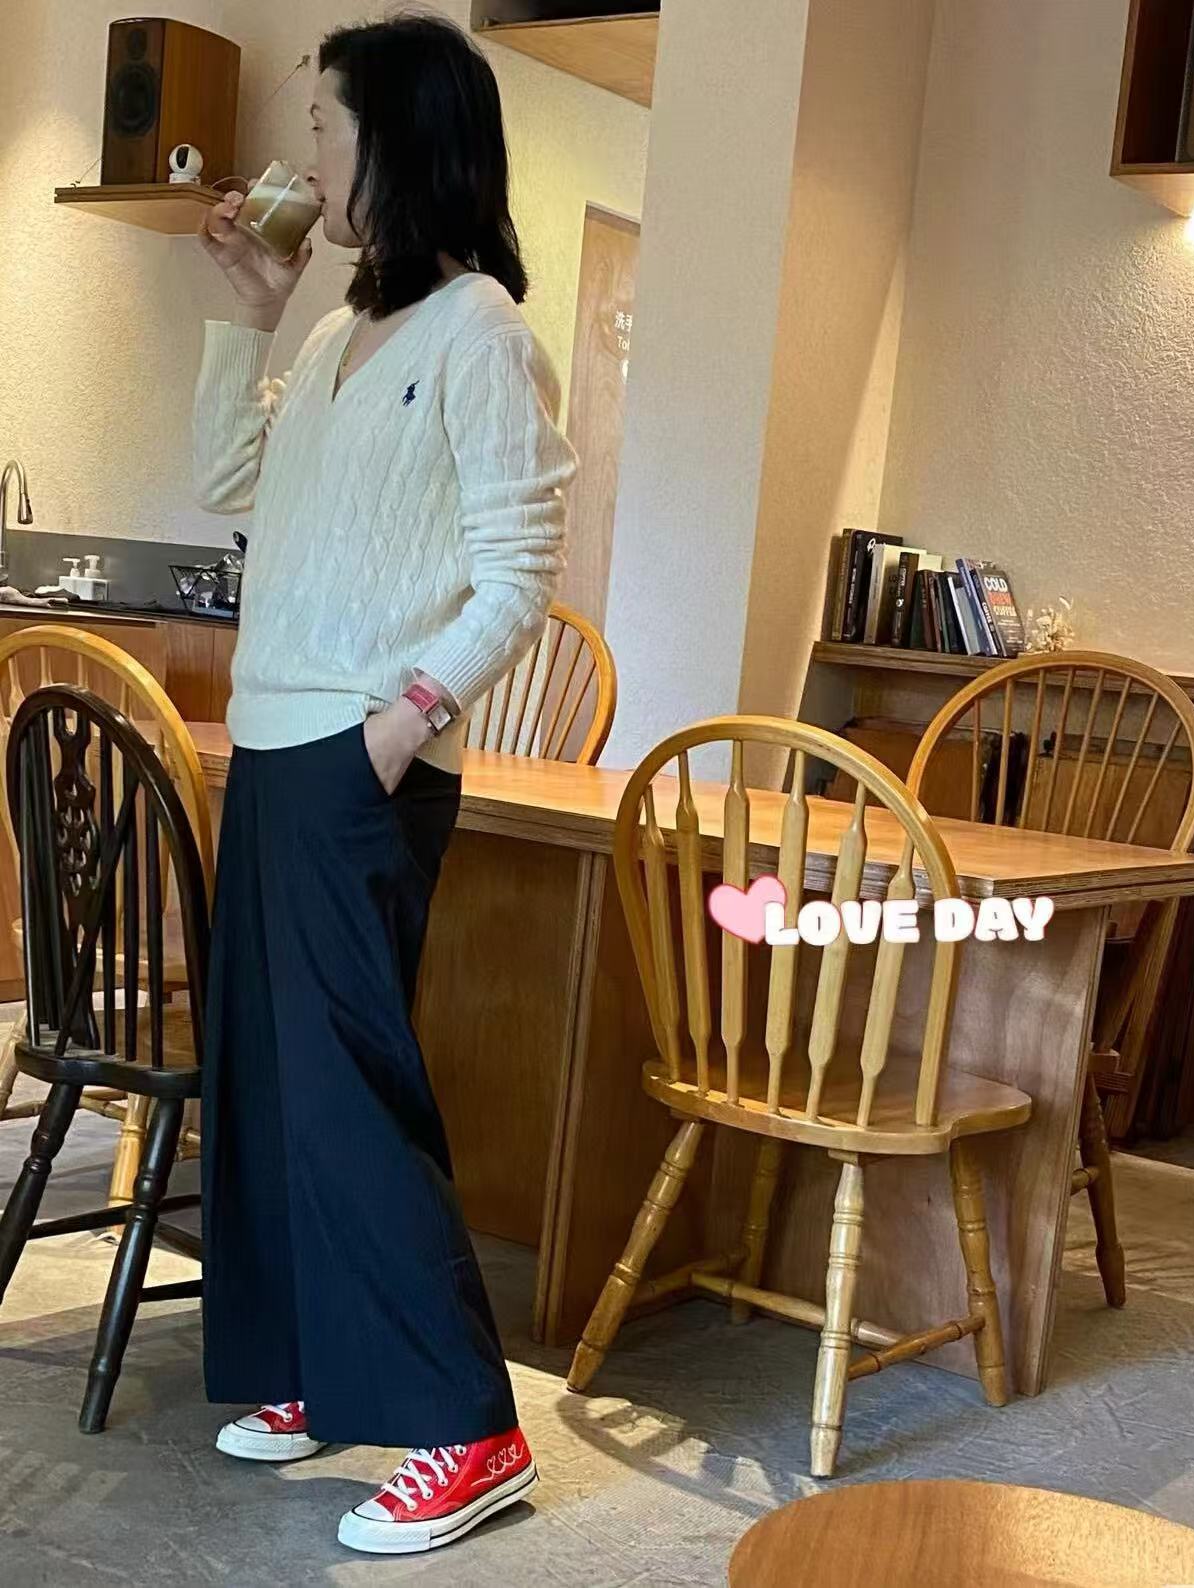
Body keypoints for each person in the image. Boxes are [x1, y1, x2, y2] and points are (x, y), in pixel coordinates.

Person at [191, 10, 577, 1557]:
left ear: (398, 141)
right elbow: (227, 484)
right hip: (274, 749)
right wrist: (252, 312)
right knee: (271, 1086)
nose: (305, 154)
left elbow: (522, 565)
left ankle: (469, 1430)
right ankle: (309, 1364)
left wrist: (406, 719)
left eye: (325, 127)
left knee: (351, 1099)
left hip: (357, 761)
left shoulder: (483, 334)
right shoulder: (343, 337)